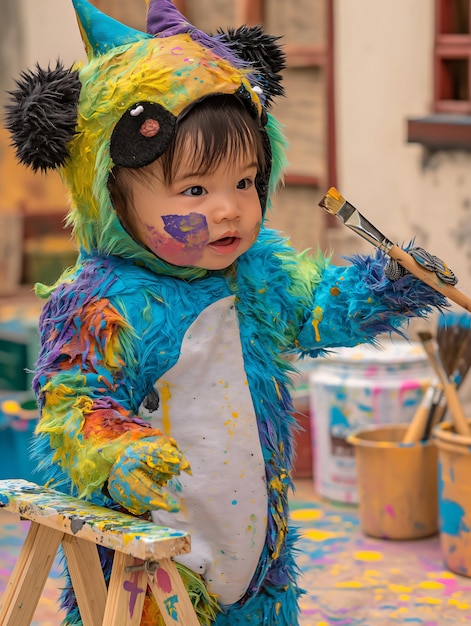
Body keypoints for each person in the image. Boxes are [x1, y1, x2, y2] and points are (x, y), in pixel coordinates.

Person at [5, 1, 452, 624]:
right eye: (195, 189)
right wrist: (120, 454)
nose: (230, 209)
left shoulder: (256, 276)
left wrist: (389, 285)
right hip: (152, 571)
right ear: (107, 186)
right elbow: (74, 404)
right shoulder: (100, 303)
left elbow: (317, 311)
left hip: (257, 561)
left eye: (245, 183)